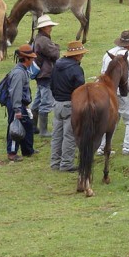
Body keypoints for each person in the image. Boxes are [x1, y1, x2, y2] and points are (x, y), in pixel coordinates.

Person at [100, 31, 129, 155]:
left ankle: (101, 147)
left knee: (109, 119)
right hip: (124, 91)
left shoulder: (109, 54)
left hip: (108, 91)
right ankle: (128, 147)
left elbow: (103, 72)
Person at [49, 40, 87, 172]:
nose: (82, 56)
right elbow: (80, 90)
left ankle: (55, 162)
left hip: (57, 103)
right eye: (81, 54)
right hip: (70, 105)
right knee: (69, 136)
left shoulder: (57, 65)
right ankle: (66, 164)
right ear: (76, 55)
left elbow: (51, 85)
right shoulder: (76, 69)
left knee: (57, 135)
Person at [29, 14, 60, 138]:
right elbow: (55, 54)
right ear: (44, 27)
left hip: (41, 74)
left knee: (38, 100)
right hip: (46, 74)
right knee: (46, 102)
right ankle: (43, 131)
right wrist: (56, 46)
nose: (51, 28)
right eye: (49, 26)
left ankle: (33, 127)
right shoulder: (44, 40)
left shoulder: (39, 39)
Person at [5, 44, 37, 162]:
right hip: (16, 104)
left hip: (20, 104)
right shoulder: (19, 73)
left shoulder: (22, 70)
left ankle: (28, 150)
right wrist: (17, 110)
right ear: (26, 59)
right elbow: (16, 92)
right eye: (32, 58)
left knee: (27, 125)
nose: (33, 60)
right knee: (15, 129)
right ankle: (12, 153)